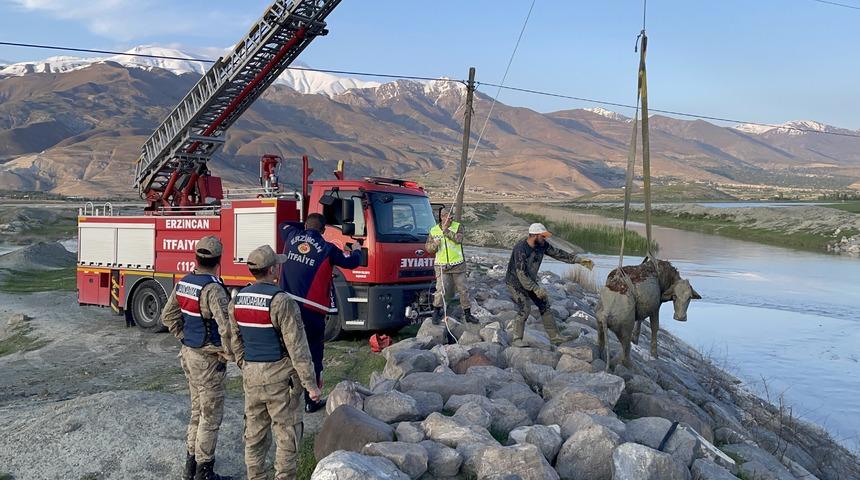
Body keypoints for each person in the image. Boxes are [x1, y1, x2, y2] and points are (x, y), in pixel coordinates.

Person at [228, 245, 321, 480]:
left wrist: (243, 363)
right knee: (286, 433)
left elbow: (233, 338)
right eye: (277, 264)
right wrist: (310, 385)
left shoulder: (238, 299)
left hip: (251, 375)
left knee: (254, 433)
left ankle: (255, 476)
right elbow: (297, 347)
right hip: (280, 378)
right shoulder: (281, 301)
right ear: (272, 270)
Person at [161, 236, 233, 480]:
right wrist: (230, 353)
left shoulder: (184, 283)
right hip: (208, 359)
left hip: (189, 354)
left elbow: (167, 316)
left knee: (196, 411)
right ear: (218, 260)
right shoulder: (213, 289)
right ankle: (205, 471)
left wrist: (185, 337)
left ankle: (190, 467)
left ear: (196, 258)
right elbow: (226, 328)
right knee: (210, 417)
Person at [279, 213, 361, 412]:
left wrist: (305, 229)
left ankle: (284, 395)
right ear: (324, 230)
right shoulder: (328, 249)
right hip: (312, 310)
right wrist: (357, 250)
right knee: (314, 354)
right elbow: (352, 263)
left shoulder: (291, 236)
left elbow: (283, 222)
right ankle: (311, 401)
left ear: (306, 224)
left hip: (286, 305)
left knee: (286, 350)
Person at [505, 223, 594, 345]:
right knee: (525, 308)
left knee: (544, 303)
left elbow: (558, 253)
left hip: (530, 281)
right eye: (543, 236)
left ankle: (555, 337)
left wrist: (578, 260)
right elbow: (521, 274)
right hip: (515, 283)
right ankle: (517, 339)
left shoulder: (542, 245)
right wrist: (535, 289)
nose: (545, 238)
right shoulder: (521, 249)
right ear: (534, 236)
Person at [426, 206, 476, 324]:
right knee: (440, 290)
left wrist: (447, 232)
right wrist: (434, 245)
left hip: (458, 264)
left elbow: (459, 239)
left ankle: (468, 314)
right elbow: (428, 248)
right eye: (448, 217)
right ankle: (436, 313)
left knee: (463, 289)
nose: (451, 219)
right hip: (441, 265)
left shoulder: (458, 227)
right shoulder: (433, 230)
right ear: (442, 217)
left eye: (452, 217)